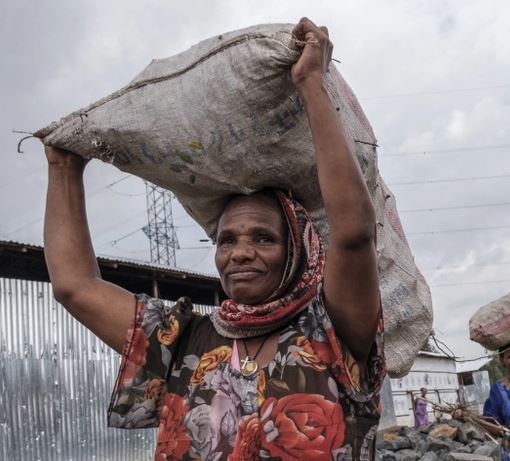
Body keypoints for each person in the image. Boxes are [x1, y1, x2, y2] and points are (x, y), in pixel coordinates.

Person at [40, 18, 384, 461]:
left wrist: (310, 83)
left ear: (298, 251)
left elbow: (354, 235)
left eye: (263, 238)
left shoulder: (334, 331)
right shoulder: (183, 340)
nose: (240, 252)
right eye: (226, 241)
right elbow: (75, 287)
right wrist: (63, 168)